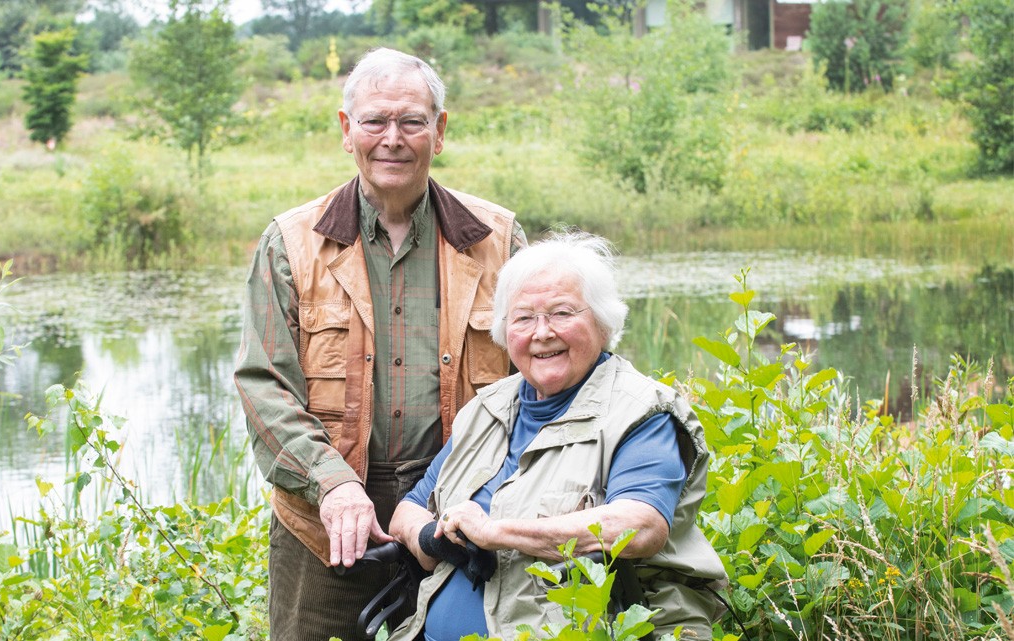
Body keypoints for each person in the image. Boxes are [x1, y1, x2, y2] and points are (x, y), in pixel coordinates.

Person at [233, 47, 527, 641]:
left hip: (462, 514)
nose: (392, 138)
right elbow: (264, 386)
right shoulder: (290, 243)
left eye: (412, 121)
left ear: (438, 131)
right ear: (347, 131)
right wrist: (333, 484)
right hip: (323, 521)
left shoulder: (497, 239)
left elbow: (547, 372)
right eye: (374, 121)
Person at [387, 232, 728, 641]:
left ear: (603, 323)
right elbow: (407, 510)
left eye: (562, 313)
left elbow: (639, 526)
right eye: (524, 318)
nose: (542, 332)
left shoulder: (642, 411)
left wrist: (495, 533)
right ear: (504, 331)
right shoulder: (486, 409)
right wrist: (435, 539)